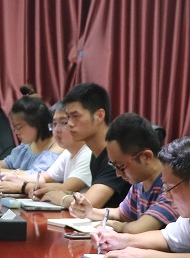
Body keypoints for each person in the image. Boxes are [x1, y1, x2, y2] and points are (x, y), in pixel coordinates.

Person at [66, 112, 174, 235]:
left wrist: (115, 225)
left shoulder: (171, 186)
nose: (118, 173)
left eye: (121, 167)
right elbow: (121, 213)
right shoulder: (140, 182)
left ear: (146, 157)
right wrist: (90, 212)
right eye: (114, 166)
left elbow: (138, 228)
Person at [43, 81, 129, 210]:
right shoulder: (95, 154)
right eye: (68, 117)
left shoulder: (116, 153)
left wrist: (61, 198)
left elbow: (90, 203)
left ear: (99, 115)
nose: (70, 124)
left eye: (76, 116)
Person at [0, 87, 60, 181]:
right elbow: (8, 163)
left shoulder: (56, 149)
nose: (16, 132)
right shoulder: (27, 144)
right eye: (14, 127)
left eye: (19, 127)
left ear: (37, 123)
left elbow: (37, 175)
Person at [20, 105, 91, 199]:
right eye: (54, 124)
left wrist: (23, 187)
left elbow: (67, 187)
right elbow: (44, 177)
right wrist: (14, 178)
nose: (57, 130)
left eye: (64, 123)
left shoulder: (88, 153)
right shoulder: (67, 152)